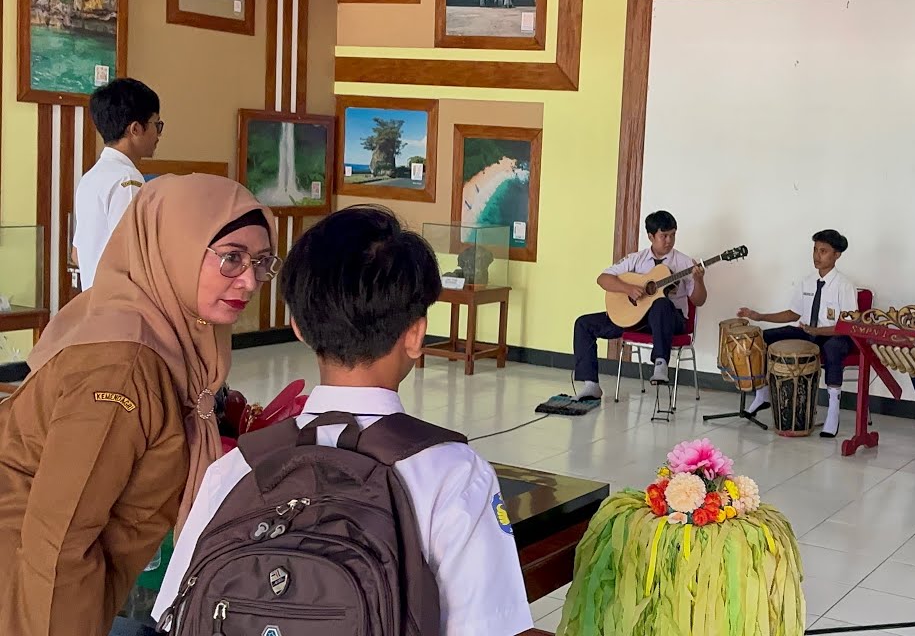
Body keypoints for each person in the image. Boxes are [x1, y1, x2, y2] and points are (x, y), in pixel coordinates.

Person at [152, 205, 534, 636]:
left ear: (298, 326)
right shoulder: (453, 476)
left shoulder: (236, 469)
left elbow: (176, 615)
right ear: (416, 333)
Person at [0, 175, 276, 636]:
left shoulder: (164, 331)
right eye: (231, 258)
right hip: (30, 599)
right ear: (176, 250)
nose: (249, 280)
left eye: (262, 262)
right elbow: (59, 542)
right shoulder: (123, 367)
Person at [572, 210, 707, 399]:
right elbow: (602, 279)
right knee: (583, 324)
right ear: (651, 236)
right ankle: (591, 384)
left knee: (660, 303)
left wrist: (699, 280)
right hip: (638, 319)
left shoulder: (684, 263)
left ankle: (660, 364)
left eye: (673, 235)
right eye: (664, 235)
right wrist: (627, 289)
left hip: (671, 320)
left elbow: (698, 301)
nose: (669, 240)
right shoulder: (636, 259)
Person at [737, 229, 859, 438]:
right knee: (763, 339)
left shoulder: (845, 285)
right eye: (814, 250)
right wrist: (759, 316)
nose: (817, 256)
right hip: (810, 332)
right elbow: (793, 313)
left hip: (836, 335)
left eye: (823, 251)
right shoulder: (807, 282)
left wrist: (818, 330)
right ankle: (762, 393)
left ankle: (833, 410)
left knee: (833, 348)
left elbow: (848, 324)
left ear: (836, 255)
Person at [73, 78, 163, 290]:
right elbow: (134, 255)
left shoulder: (91, 177)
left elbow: (77, 254)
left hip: (96, 303)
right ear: (135, 129)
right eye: (156, 124)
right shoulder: (127, 178)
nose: (159, 134)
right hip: (122, 307)